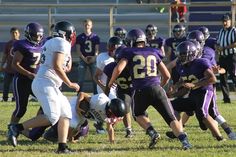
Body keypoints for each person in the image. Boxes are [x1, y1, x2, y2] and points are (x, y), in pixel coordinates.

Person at [108, 29, 192, 150]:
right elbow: (167, 76)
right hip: (156, 87)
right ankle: (185, 142)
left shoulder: (128, 51)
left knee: (137, 114)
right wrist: (159, 87)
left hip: (140, 90)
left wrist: (111, 82)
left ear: (131, 41)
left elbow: (119, 68)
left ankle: (152, 132)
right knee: (171, 118)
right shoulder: (153, 51)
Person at [8, 21, 80, 154]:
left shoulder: (51, 42)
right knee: (52, 116)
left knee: (66, 114)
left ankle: (62, 147)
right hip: (45, 82)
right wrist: (70, 84)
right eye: (71, 33)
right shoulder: (61, 42)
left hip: (50, 83)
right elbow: (57, 66)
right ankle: (16, 128)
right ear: (66, 33)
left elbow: (61, 65)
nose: (73, 36)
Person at [167, 41, 226, 141]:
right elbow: (184, 83)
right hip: (193, 95)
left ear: (191, 54)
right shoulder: (180, 65)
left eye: (183, 55)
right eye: (180, 55)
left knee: (202, 115)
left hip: (205, 92)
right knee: (171, 106)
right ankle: (179, 132)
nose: (181, 57)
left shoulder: (200, 62)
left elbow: (212, 79)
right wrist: (174, 91)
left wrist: (194, 84)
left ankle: (220, 138)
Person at [7, 23, 44, 127]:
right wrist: (28, 73)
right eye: (35, 35)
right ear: (28, 34)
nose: (38, 38)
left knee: (46, 104)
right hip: (22, 80)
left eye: (40, 36)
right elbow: (15, 64)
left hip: (36, 80)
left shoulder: (42, 44)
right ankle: (12, 128)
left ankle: (37, 126)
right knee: (21, 109)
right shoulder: (22, 45)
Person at [103, 38, 133, 138]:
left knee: (139, 113)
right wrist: (105, 97)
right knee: (125, 107)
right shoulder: (111, 68)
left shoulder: (133, 66)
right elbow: (108, 85)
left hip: (135, 89)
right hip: (123, 90)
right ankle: (128, 130)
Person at [215, 13, 236, 103]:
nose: (225, 23)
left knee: (234, 76)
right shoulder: (220, 31)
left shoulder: (234, 30)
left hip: (232, 57)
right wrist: (217, 47)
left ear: (230, 21)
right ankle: (226, 98)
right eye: (223, 21)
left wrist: (224, 47)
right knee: (223, 78)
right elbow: (217, 42)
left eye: (226, 21)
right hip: (222, 57)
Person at [76, 18, 100, 94]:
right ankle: (79, 95)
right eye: (86, 25)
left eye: (88, 25)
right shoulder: (79, 37)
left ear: (91, 26)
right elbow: (78, 50)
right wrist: (84, 58)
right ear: (83, 25)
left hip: (93, 59)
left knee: (95, 79)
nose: (87, 26)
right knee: (81, 79)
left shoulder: (95, 37)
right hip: (83, 59)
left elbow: (97, 50)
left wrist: (94, 57)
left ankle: (96, 95)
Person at [0, 27, 20, 102]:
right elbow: (5, 56)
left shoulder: (21, 43)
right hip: (8, 68)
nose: (14, 34)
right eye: (13, 33)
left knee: (16, 85)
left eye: (16, 33)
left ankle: (15, 98)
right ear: (10, 34)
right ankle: (5, 98)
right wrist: (2, 65)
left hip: (18, 69)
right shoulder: (8, 44)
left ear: (19, 34)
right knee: (6, 84)